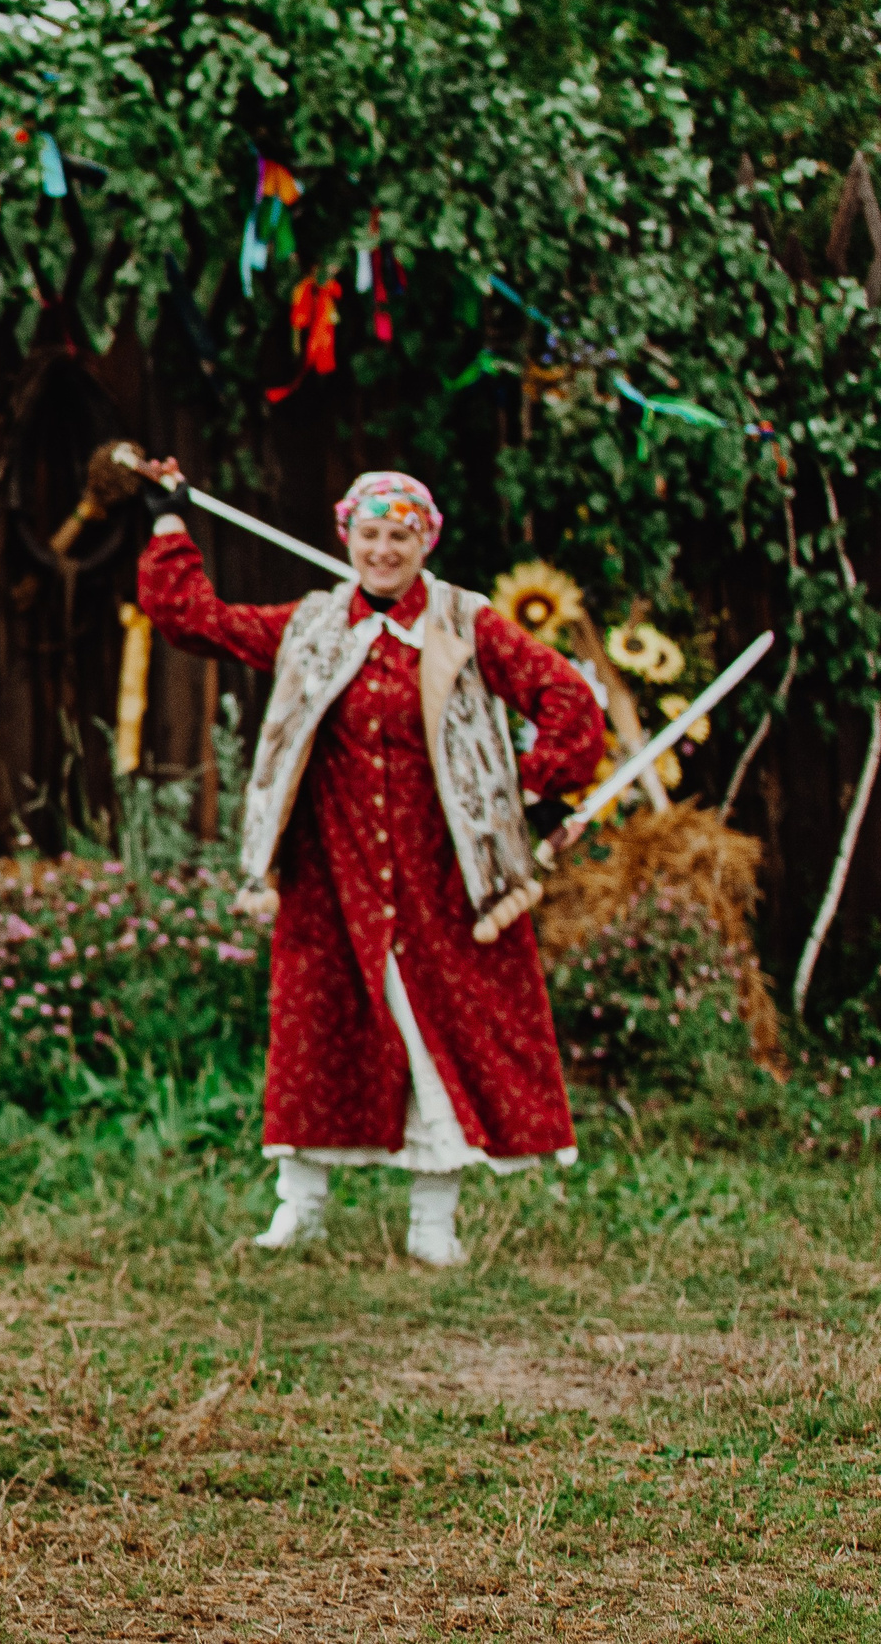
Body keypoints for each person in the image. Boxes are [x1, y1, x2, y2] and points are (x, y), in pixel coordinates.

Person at [134, 464, 605, 1266]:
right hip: (329, 874)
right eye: (370, 533)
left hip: (446, 880)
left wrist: (535, 789)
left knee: (439, 1040)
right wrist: (169, 526)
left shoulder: (468, 623)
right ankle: (299, 1210)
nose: (384, 550)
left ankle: (433, 1225)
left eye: (401, 535)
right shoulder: (313, 624)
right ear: (346, 536)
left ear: (426, 540)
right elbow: (194, 621)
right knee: (318, 1036)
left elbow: (570, 701)